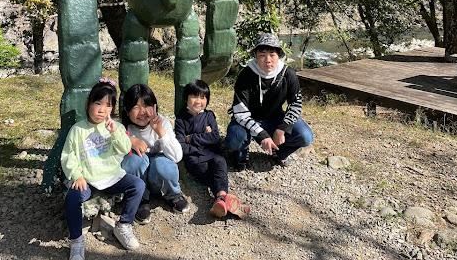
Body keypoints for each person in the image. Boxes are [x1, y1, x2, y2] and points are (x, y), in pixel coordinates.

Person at [61, 78, 146, 260]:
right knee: (73, 198)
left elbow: (124, 149)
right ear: (88, 103)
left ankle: (123, 225)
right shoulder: (78, 130)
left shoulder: (115, 127)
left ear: (113, 109)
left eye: (108, 105)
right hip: (88, 177)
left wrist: (115, 132)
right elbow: (69, 155)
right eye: (98, 103)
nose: (102, 110)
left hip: (112, 175)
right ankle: (76, 240)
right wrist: (77, 175)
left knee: (138, 185)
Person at [226, 33, 313, 171]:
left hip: (275, 118)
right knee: (234, 139)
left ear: (279, 55)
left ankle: (279, 152)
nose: (268, 60)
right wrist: (262, 134)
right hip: (247, 119)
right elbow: (240, 112)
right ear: (255, 55)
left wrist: (282, 128)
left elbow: (295, 104)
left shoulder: (288, 74)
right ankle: (241, 152)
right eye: (262, 55)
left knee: (305, 136)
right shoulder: (246, 75)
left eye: (272, 54)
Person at [175, 80, 249, 219]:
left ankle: (221, 199)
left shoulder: (209, 115)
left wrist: (191, 138)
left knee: (220, 163)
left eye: (203, 97)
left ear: (207, 100)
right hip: (194, 158)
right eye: (194, 96)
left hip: (212, 153)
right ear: (186, 99)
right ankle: (224, 198)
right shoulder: (181, 120)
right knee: (206, 172)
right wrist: (203, 138)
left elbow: (215, 138)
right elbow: (181, 146)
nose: (198, 101)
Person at [121, 83, 190, 223]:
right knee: (136, 160)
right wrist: (129, 141)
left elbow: (177, 156)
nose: (142, 111)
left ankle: (173, 193)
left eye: (147, 105)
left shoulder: (162, 123)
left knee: (162, 163)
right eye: (136, 107)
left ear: (154, 107)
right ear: (126, 110)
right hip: (139, 179)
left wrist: (161, 133)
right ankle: (140, 199)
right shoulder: (121, 128)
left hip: (157, 178)